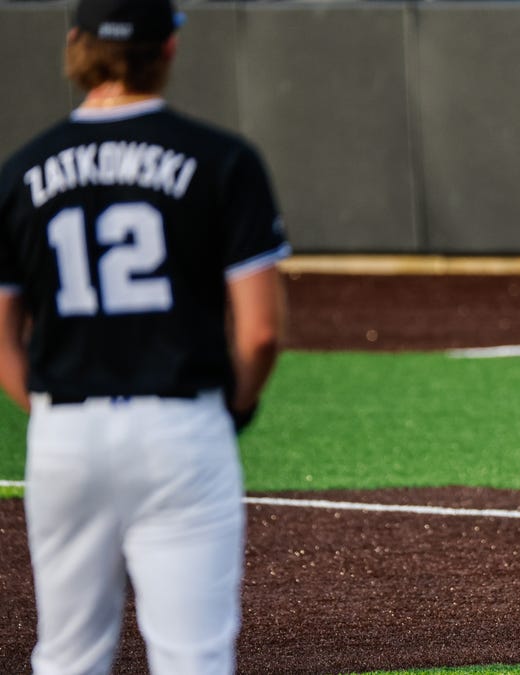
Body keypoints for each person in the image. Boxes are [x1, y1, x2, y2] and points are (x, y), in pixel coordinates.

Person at [0, 0, 290, 670]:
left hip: (65, 433)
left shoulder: (21, 172)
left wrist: (46, 410)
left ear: (76, 46)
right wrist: (232, 409)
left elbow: (3, 338)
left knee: (68, 653)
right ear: (169, 50)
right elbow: (262, 332)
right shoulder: (222, 160)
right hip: (180, 426)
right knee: (194, 656)